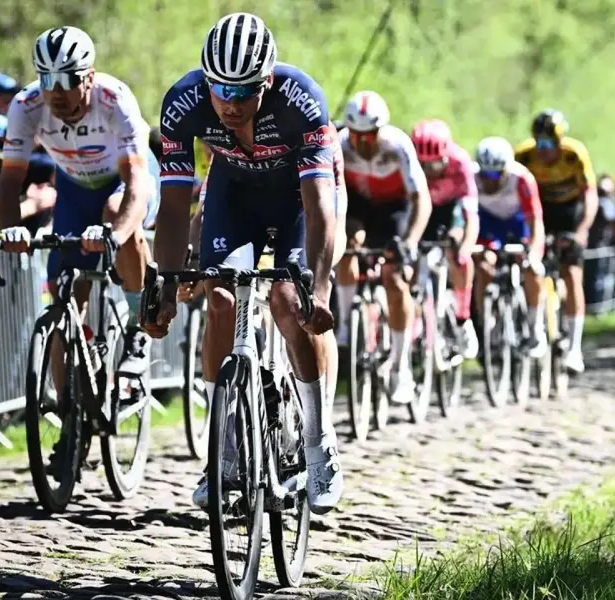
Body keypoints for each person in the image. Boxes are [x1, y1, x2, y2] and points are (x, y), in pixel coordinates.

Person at [142, 13, 345, 515]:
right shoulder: (183, 103)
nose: (230, 104)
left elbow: (321, 208)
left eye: (244, 92)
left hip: (300, 199)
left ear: (268, 81)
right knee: (220, 298)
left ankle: (320, 444)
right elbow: (173, 205)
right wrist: (166, 286)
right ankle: (222, 451)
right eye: (220, 90)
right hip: (234, 194)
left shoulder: (302, 101)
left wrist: (317, 290)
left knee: (287, 299)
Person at [0, 26, 160, 386]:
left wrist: (115, 235)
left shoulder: (114, 99)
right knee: (64, 298)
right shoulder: (26, 106)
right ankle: (68, 420)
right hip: (75, 187)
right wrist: (10, 229)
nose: (54, 89)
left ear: (87, 77)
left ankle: (137, 326)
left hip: (126, 179)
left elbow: (136, 182)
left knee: (117, 215)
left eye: (65, 78)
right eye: (46, 77)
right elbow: (9, 183)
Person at [336, 90, 432, 404]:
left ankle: (400, 364)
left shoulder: (397, 144)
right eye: (357, 135)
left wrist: (410, 243)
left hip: (395, 211)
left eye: (370, 135)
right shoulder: (339, 144)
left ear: (382, 129)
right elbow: (329, 195)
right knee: (347, 252)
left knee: (394, 276)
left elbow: (421, 201)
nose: (363, 143)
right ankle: (348, 328)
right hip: (359, 209)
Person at [514, 109, 596, 372]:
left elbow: (590, 196)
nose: (544, 150)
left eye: (549, 144)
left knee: (572, 274)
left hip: (569, 212)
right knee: (530, 264)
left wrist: (581, 231)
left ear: (560, 142)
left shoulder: (574, 154)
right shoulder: (523, 156)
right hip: (539, 210)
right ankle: (534, 326)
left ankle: (574, 348)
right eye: (540, 143)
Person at [472, 137, 547, 355]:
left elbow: (536, 222)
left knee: (532, 269)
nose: (490, 180)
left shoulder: (522, 178)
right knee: (484, 265)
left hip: (518, 222)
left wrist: (533, 254)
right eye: (485, 174)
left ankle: (535, 327)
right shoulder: (471, 177)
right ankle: (487, 323)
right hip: (488, 223)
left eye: (496, 174)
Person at [411, 118, 478, 358]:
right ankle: (416, 321)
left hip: (451, 210)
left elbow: (471, 213)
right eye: (423, 165)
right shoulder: (407, 159)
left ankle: (462, 317)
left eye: (436, 165)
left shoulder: (461, 162)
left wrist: (466, 248)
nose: (429, 172)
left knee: (456, 249)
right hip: (422, 208)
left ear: (446, 157)